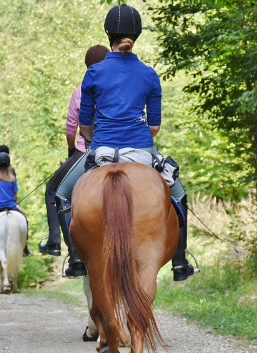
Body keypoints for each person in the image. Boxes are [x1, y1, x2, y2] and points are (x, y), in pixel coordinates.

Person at [55, 4, 196, 281]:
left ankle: (76, 259)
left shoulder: (94, 73)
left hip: (102, 150)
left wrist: (97, 141)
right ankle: (180, 263)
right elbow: (154, 127)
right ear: (137, 35)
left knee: (61, 194)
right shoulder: (149, 74)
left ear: (108, 34)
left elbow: (84, 125)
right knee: (178, 196)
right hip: (142, 151)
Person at [38, 45, 109, 273]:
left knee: (54, 191)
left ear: (87, 66)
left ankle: (64, 249)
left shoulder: (81, 91)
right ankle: (178, 256)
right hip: (123, 146)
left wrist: (72, 150)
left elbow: (72, 128)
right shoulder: (116, 88)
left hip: (88, 150)